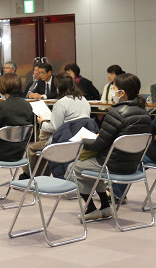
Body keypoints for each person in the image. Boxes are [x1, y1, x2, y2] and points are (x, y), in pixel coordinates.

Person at [68, 73, 151, 220]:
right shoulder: (145, 114)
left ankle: (90, 208)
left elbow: (98, 145)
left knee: (73, 168)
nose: (112, 91)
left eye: (114, 88)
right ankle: (105, 206)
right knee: (90, 169)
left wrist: (82, 140)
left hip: (112, 165)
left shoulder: (116, 113)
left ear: (122, 93)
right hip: (132, 166)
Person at [22, 73, 91, 178]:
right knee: (44, 143)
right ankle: (41, 175)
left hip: (63, 141)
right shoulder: (84, 100)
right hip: (80, 141)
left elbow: (55, 128)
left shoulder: (61, 103)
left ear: (59, 87)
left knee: (32, 148)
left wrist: (42, 122)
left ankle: (30, 176)